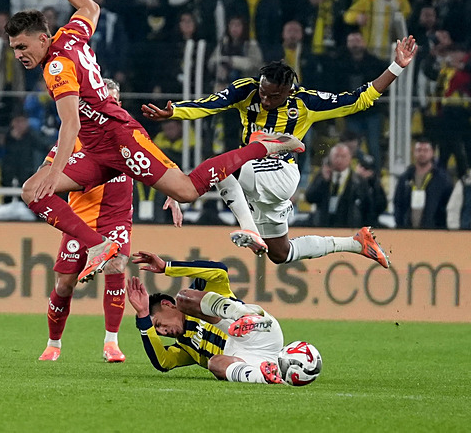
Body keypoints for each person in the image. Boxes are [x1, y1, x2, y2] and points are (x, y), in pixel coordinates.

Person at [7, 0, 304, 285]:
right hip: (96, 149)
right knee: (32, 190)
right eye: (13, 48)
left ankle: (260, 146)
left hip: (119, 140)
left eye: (22, 45)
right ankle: (100, 247)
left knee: (187, 191)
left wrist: (57, 172)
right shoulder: (70, 36)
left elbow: (71, 124)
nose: (19, 54)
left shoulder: (56, 67)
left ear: (42, 39)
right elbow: (90, 7)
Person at [141, 36, 418, 267]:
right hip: (254, 179)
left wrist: (396, 66)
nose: (265, 99)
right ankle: (357, 243)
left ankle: (250, 223)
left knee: (228, 164)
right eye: (263, 92)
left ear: (288, 91)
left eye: (273, 96)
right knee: (279, 254)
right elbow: (210, 104)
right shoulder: (246, 91)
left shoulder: (305, 103)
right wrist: (174, 111)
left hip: (281, 172)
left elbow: (360, 99)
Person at [37, 79, 181, 363]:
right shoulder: (73, 136)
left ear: (119, 104)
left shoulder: (127, 135)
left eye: (113, 101)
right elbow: (45, 170)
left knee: (116, 265)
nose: (107, 105)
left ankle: (111, 344)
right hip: (79, 222)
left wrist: (174, 194)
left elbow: (155, 163)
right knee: (64, 285)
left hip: (115, 218)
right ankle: (53, 344)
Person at [126, 251, 286, 384]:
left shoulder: (203, 293)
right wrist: (143, 316)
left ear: (167, 304)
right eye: (159, 332)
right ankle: (265, 376)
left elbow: (219, 270)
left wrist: (167, 267)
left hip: (259, 331)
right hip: (249, 360)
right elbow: (163, 362)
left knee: (183, 298)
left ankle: (240, 315)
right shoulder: (184, 347)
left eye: (159, 324)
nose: (163, 332)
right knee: (214, 363)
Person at [393, 137, 454, 229]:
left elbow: (447, 206)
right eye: (418, 150)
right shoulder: (405, 177)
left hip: (434, 232)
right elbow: (398, 204)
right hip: (407, 231)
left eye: (425, 150)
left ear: (432, 153)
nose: (422, 153)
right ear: (414, 153)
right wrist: (400, 224)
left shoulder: (442, 180)